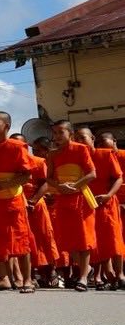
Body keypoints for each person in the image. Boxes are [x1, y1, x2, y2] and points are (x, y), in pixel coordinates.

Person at [0, 112, 34, 293]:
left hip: (12, 198)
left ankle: (27, 280)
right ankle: (3, 278)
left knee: (20, 238)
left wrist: (5, 184)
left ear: (7, 126)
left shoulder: (18, 147)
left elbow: (26, 175)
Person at [46, 121, 97, 290]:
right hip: (63, 197)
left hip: (81, 196)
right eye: (54, 133)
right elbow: (49, 178)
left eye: (61, 132)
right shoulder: (52, 154)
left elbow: (92, 173)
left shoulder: (81, 149)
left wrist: (74, 186)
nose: (57, 136)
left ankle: (82, 277)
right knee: (68, 239)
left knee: (84, 238)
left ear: (71, 134)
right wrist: (60, 187)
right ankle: (86, 269)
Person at [88, 130, 125, 289]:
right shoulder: (84, 158)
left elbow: (118, 178)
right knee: (100, 240)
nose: (102, 145)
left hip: (111, 202)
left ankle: (120, 274)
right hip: (93, 203)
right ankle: (108, 275)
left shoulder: (116, 155)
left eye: (105, 141)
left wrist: (110, 196)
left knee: (115, 239)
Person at [26, 137, 61, 290]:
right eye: (33, 150)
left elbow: (48, 183)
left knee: (47, 237)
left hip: (48, 205)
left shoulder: (52, 163)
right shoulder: (28, 164)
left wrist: (36, 198)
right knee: (32, 239)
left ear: (47, 151)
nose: (34, 153)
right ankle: (36, 271)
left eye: (38, 150)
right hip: (29, 204)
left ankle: (53, 270)